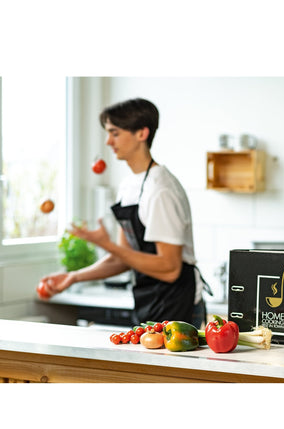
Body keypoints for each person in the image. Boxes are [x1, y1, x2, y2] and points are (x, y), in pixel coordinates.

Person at [38, 98, 208, 327]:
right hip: (148, 303)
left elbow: (170, 268)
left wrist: (107, 244)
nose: (108, 141)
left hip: (179, 305)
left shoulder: (161, 190)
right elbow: (122, 258)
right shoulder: (129, 186)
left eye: (115, 133)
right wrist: (73, 277)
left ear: (142, 133)